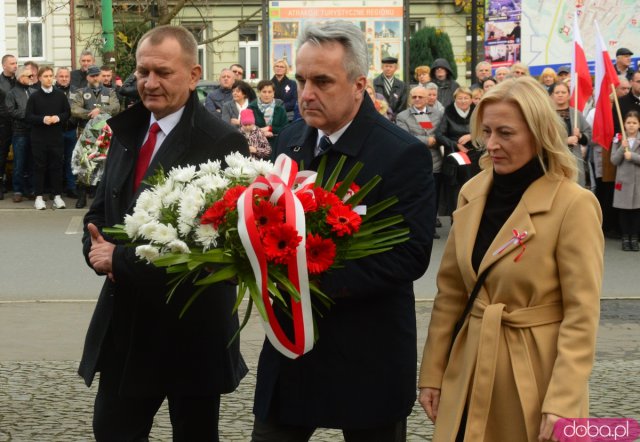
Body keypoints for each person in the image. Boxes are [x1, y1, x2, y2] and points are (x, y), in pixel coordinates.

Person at [252, 20, 435, 442]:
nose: (306, 93)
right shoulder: (292, 138)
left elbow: (409, 255)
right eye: (300, 80)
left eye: (322, 81)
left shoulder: (401, 153)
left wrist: (304, 279)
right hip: (292, 349)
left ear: (358, 85)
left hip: (367, 353)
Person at [78, 25, 249, 441]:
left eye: (163, 73)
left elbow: (209, 251)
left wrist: (117, 258)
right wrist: (94, 247)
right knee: (113, 431)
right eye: (142, 72)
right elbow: (100, 209)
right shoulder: (126, 130)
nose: (149, 83)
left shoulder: (221, 142)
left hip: (190, 331)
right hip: (126, 323)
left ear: (193, 75)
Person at [419, 76, 604, 442]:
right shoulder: (472, 192)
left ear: (539, 133)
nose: (491, 145)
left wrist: (563, 399)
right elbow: (450, 295)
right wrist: (433, 373)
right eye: (486, 131)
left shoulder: (573, 205)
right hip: (469, 366)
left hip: (535, 376)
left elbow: (582, 315)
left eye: (506, 133)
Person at [396, 85, 443, 238]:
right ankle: (415, 226)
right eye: (414, 97)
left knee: (433, 196)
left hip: (435, 162)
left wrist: (435, 140)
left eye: (420, 97)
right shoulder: (402, 116)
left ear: (427, 98)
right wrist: (427, 140)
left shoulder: (437, 114)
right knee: (416, 196)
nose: (417, 100)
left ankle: (431, 227)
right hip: (414, 163)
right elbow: (404, 137)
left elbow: (441, 134)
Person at [25, 66, 70, 210]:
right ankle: (39, 197)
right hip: (39, 138)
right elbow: (28, 116)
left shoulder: (60, 95)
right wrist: (43, 119)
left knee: (56, 166)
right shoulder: (34, 97)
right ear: (39, 78)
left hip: (56, 137)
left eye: (51, 76)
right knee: (39, 167)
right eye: (45, 76)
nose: (49, 78)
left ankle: (57, 196)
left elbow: (67, 112)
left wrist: (58, 117)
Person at [436, 87, 478, 218]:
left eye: (466, 98)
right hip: (455, 154)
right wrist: (456, 144)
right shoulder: (448, 112)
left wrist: (471, 136)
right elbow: (439, 135)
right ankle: (455, 217)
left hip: (474, 153)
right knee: (455, 190)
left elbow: (485, 130)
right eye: (460, 98)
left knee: (474, 186)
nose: (463, 101)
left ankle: (473, 216)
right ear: (455, 99)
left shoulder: (477, 111)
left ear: (471, 99)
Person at [550, 81, 592, 187]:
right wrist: (565, 141)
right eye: (557, 92)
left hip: (575, 161)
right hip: (555, 162)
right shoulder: (547, 115)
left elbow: (589, 135)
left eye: (563, 92)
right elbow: (543, 139)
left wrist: (580, 136)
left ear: (568, 95)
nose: (560, 95)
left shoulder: (576, 114)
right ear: (551, 96)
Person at [610, 111, 640, 251]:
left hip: (638, 182)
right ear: (624, 124)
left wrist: (632, 155)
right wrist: (622, 147)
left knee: (636, 212)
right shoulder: (618, 139)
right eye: (628, 123)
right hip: (623, 181)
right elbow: (614, 160)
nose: (631, 126)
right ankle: (625, 237)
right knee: (624, 211)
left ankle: (634, 238)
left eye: (634, 123)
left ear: (639, 124)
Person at [5, 66, 36, 203]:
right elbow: (11, 111)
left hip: (34, 132)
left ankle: (30, 189)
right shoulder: (12, 93)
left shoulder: (35, 91)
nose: (32, 78)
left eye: (32, 76)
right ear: (20, 77)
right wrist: (29, 115)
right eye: (29, 76)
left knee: (32, 163)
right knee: (19, 163)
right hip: (20, 133)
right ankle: (18, 190)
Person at [54, 67, 80, 199]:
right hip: (55, 131)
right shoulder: (52, 91)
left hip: (70, 130)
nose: (64, 79)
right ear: (56, 77)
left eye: (66, 76)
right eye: (61, 76)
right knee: (56, 160)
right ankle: (56, 189)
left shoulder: (76, 91)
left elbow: (80, 108)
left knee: (71, 160)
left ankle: (71, 187)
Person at [71, 65, 120, 130]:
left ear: (100, 76)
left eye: (97, 75)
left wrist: (100, 111)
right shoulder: (81, 92)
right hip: (85, 130)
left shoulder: (110, 92)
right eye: (92, 76)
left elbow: (116, 107)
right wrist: (92, 113)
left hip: (105, 130)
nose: (95, 78)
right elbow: (75, 110)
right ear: (87, 77)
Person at [247, 79, 287, 149]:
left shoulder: (280, 108)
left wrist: (270, 128)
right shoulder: (251, 108)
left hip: (276, 144)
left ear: (273, 93)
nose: (267, 95)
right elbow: (247, 129)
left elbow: (285, 128)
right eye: (264, 92)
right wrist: (261, 133)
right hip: (256, 145)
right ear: (259, 92)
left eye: (269, 92)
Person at [0, 54, 18, 199]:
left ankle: (19, 186)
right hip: (3, 124)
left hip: (19, 124)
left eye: (16, 63)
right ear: (4, 65)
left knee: (21, 155)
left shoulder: (19, 80)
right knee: (2, 155)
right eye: (12, 63)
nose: (15, 65)